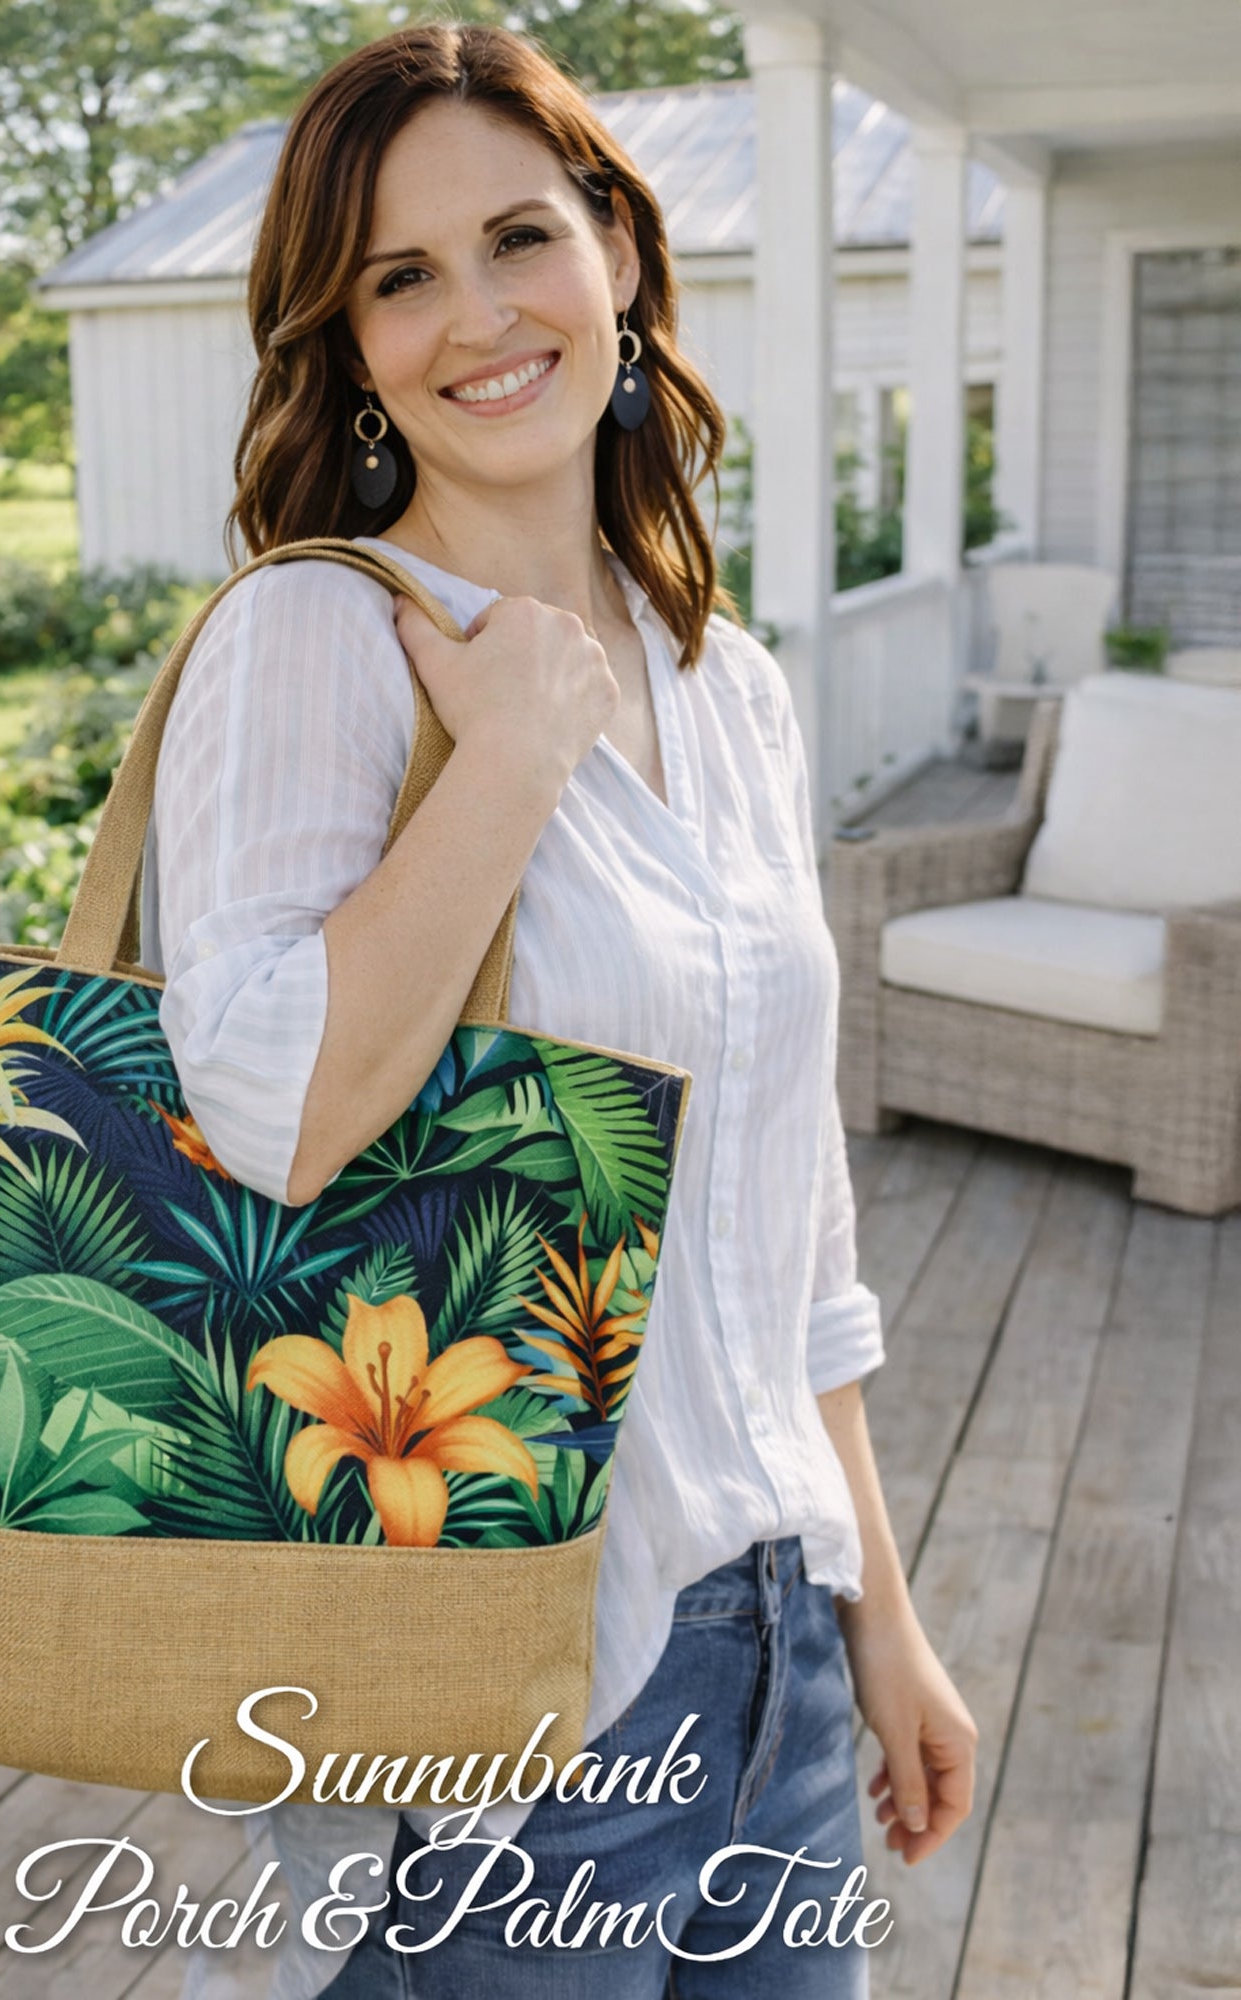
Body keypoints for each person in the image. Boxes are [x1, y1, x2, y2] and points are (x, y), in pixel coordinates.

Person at [138, 21, 978, 1998]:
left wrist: (881, 1614)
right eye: (395, 277)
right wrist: (509, 750)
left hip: (771, 1638)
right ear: (342, 344)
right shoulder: (312, 637)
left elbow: (791, 1221)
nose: (476, 314)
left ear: (612, 245)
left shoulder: (728, 682)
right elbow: (267, 1112)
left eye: (517, 235)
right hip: (491, 1719)